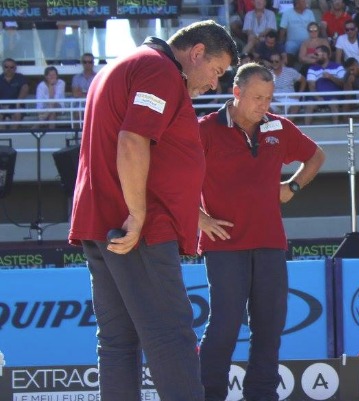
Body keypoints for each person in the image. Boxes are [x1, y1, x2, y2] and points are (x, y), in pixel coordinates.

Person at [68, 21, 237, 400]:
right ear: (196, 53)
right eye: (216, 71)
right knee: (170, 335)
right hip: (137, 230)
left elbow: (148, 150)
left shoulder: (123, 66)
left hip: (103, 222)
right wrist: (138, 214)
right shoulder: (159, 71)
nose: (215, 84)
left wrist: (185, 210)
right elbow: (132, 140)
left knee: (118, 340)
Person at [198, 62, 325, 401]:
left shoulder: (278, 127)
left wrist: (292, 187)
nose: (264, 105)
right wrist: (198, 217)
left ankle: (261, 395)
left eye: (269, 98)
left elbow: (316, 156)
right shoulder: (205, 129)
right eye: (257, 98)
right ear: (236, 92)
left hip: (270, 242)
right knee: (224, 327)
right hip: (224, 246)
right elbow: (172, 176)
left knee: (269, 327)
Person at [305, 45, 345, 125]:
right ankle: (305, 130)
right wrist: (318, 98)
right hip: (317, 97)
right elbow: (311, 86)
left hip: (334, 97)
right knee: (309, 105)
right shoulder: (312, 68)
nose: (315, 56)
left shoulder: (338, 67)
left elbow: (343, 84)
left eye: (317, 54)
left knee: (334, 103)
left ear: (325, 55)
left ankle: (336, 128)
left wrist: (331, 77)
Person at [0, 58, 29, 130]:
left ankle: (12, 134)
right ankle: (4, 135)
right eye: (6, 67)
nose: (9, 69)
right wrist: (2, 107)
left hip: (16, 107)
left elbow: (25, 88)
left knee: (17, 115)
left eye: (11, 67)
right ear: (3, 67)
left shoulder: (20, 77)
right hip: (1, 107)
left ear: (15, 68)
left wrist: (18, 103)